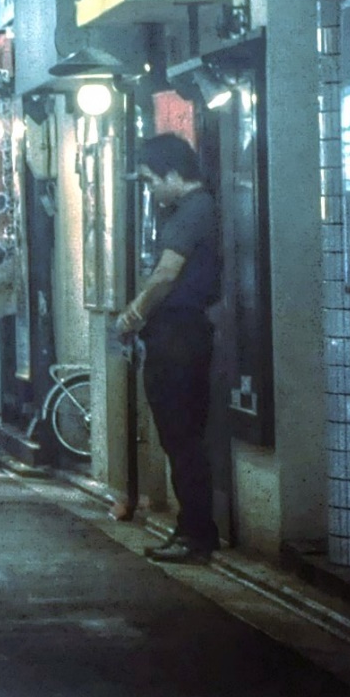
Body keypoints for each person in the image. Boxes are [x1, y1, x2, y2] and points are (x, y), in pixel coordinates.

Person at [118, 134, 224, 564]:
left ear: (174, 175)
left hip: (178, 336)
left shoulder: (192, 211)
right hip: (184, 333)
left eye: (150, 181)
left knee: (181, 438)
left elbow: (165, 274)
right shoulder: (197, 209)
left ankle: (196, 534)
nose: (149, 189)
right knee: (182, 439)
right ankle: (193, 530)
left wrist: (132, 315)